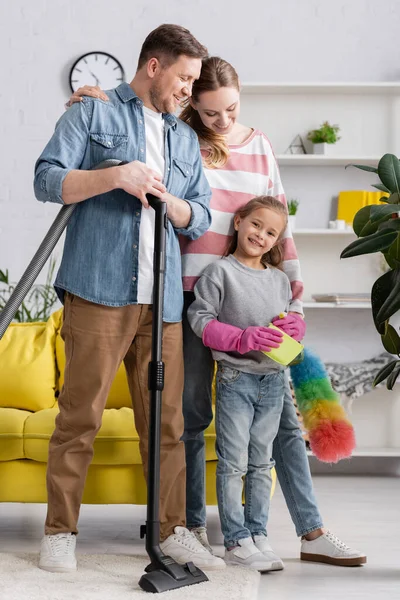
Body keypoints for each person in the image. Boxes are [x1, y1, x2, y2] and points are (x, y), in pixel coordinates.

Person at [67, 56, 366, 567]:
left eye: (230, 108)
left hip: (264, 302)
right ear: (192, 107)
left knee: (287, 421)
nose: (222, 121)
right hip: (189, 298)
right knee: (190, 416)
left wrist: (292, 295)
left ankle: (311, 531)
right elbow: (138, 103)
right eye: (208, 113)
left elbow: (280, 224)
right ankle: (189, 529)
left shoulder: (262, 146)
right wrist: (95, 96)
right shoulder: (175, 140)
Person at [33, 24, 227, 574]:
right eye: (184, 77)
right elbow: (46, 180)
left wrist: (178, 205)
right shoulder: (91, 116)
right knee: (79, 418)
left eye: (193, 80)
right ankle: (59, 533)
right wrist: (115, 175)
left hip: (162, 303)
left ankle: (171, 531)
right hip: (98, 291)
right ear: (153, 67)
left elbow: (203, 214)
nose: (189, 89)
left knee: (166, 427)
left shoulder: (183, 139)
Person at [188, 195, 293, 570]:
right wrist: (240, 339)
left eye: (271, 233)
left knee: (262, 463)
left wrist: (296, 325)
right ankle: (235, 541)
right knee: (233, 463)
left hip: (273, 380)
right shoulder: (220, 273)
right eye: (256, 225)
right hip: (235, 379)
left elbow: (289, 318)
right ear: (238, 222)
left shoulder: (280, 280)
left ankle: (257, 533)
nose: (261, 236)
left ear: (277, 241)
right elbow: (200, 320)